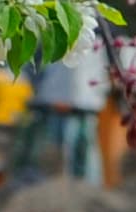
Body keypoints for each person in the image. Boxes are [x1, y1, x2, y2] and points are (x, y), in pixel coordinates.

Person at [12, 30, 108, 185]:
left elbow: (103, 72)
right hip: (53, 105)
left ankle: (85, 189)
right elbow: (30, 65)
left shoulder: (95, 38)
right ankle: (45, 186)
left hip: (84, 107)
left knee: (84, 152)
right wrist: (42, 90)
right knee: (52, 151)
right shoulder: (52, 35)